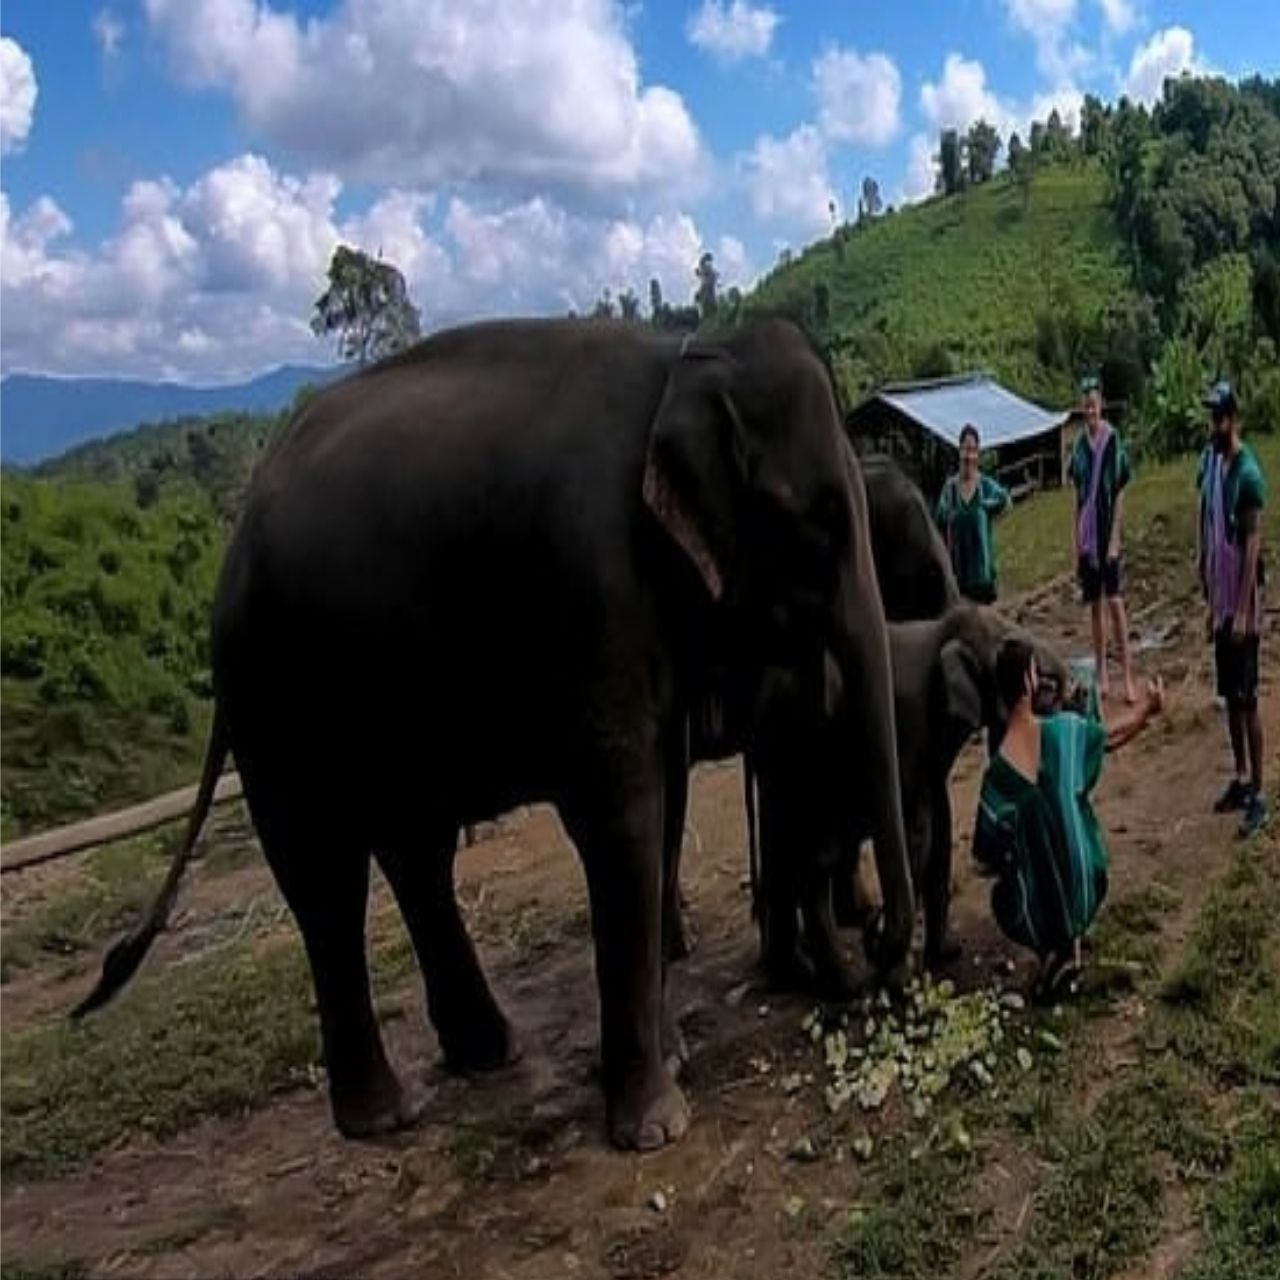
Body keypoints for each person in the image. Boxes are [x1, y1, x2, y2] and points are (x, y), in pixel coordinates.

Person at [973, 637, 1163, 1001]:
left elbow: (985, 852)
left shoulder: (996, 776)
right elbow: (1106, 737)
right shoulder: (1061, 733)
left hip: (1027, 911)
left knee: (1004, 889)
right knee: (1076, 825)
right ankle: (1069, 939)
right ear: (1029, 683)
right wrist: (1147, 710)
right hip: (1083, 884)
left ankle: (1051, 946)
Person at [1199, 381, 1268, 838]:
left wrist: (1242, 610)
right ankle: (1241, 777)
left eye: (1220, 418)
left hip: (1241, 600)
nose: (1214, 425)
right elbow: (1207, 523)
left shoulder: (1248, 474)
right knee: (1229, 696)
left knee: (1247, 699)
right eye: (1212, 418)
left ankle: (1259, 793)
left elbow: (1252, 544)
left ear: (1233, 420)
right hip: (1222, 598)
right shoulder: (1213, 465)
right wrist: (1212, 602)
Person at [1069, 376, 1137, 704]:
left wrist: (1115, 537)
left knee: (1115, 602)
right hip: (1087, 537)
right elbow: (1077, 500)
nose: (1090, 410)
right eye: (1086, 405)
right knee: (1094, 606)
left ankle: (1127, 675)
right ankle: (1102, 674)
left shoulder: (1112, 441)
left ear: (1101, 405)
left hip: (1107, 533)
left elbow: (1120, 489)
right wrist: (1075, 544)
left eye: (1094, 404)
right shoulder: (1078, 448)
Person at [935, 423, 1012, 603]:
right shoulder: (949, 489)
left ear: (978, 453)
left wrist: (990, 509)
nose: (968, 456)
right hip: (957, 580)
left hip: (983, 580)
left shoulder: (986, 486)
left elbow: (1006, 502)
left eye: (972, 450)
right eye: (965, 449)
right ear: (959, 451)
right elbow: (939, 520)